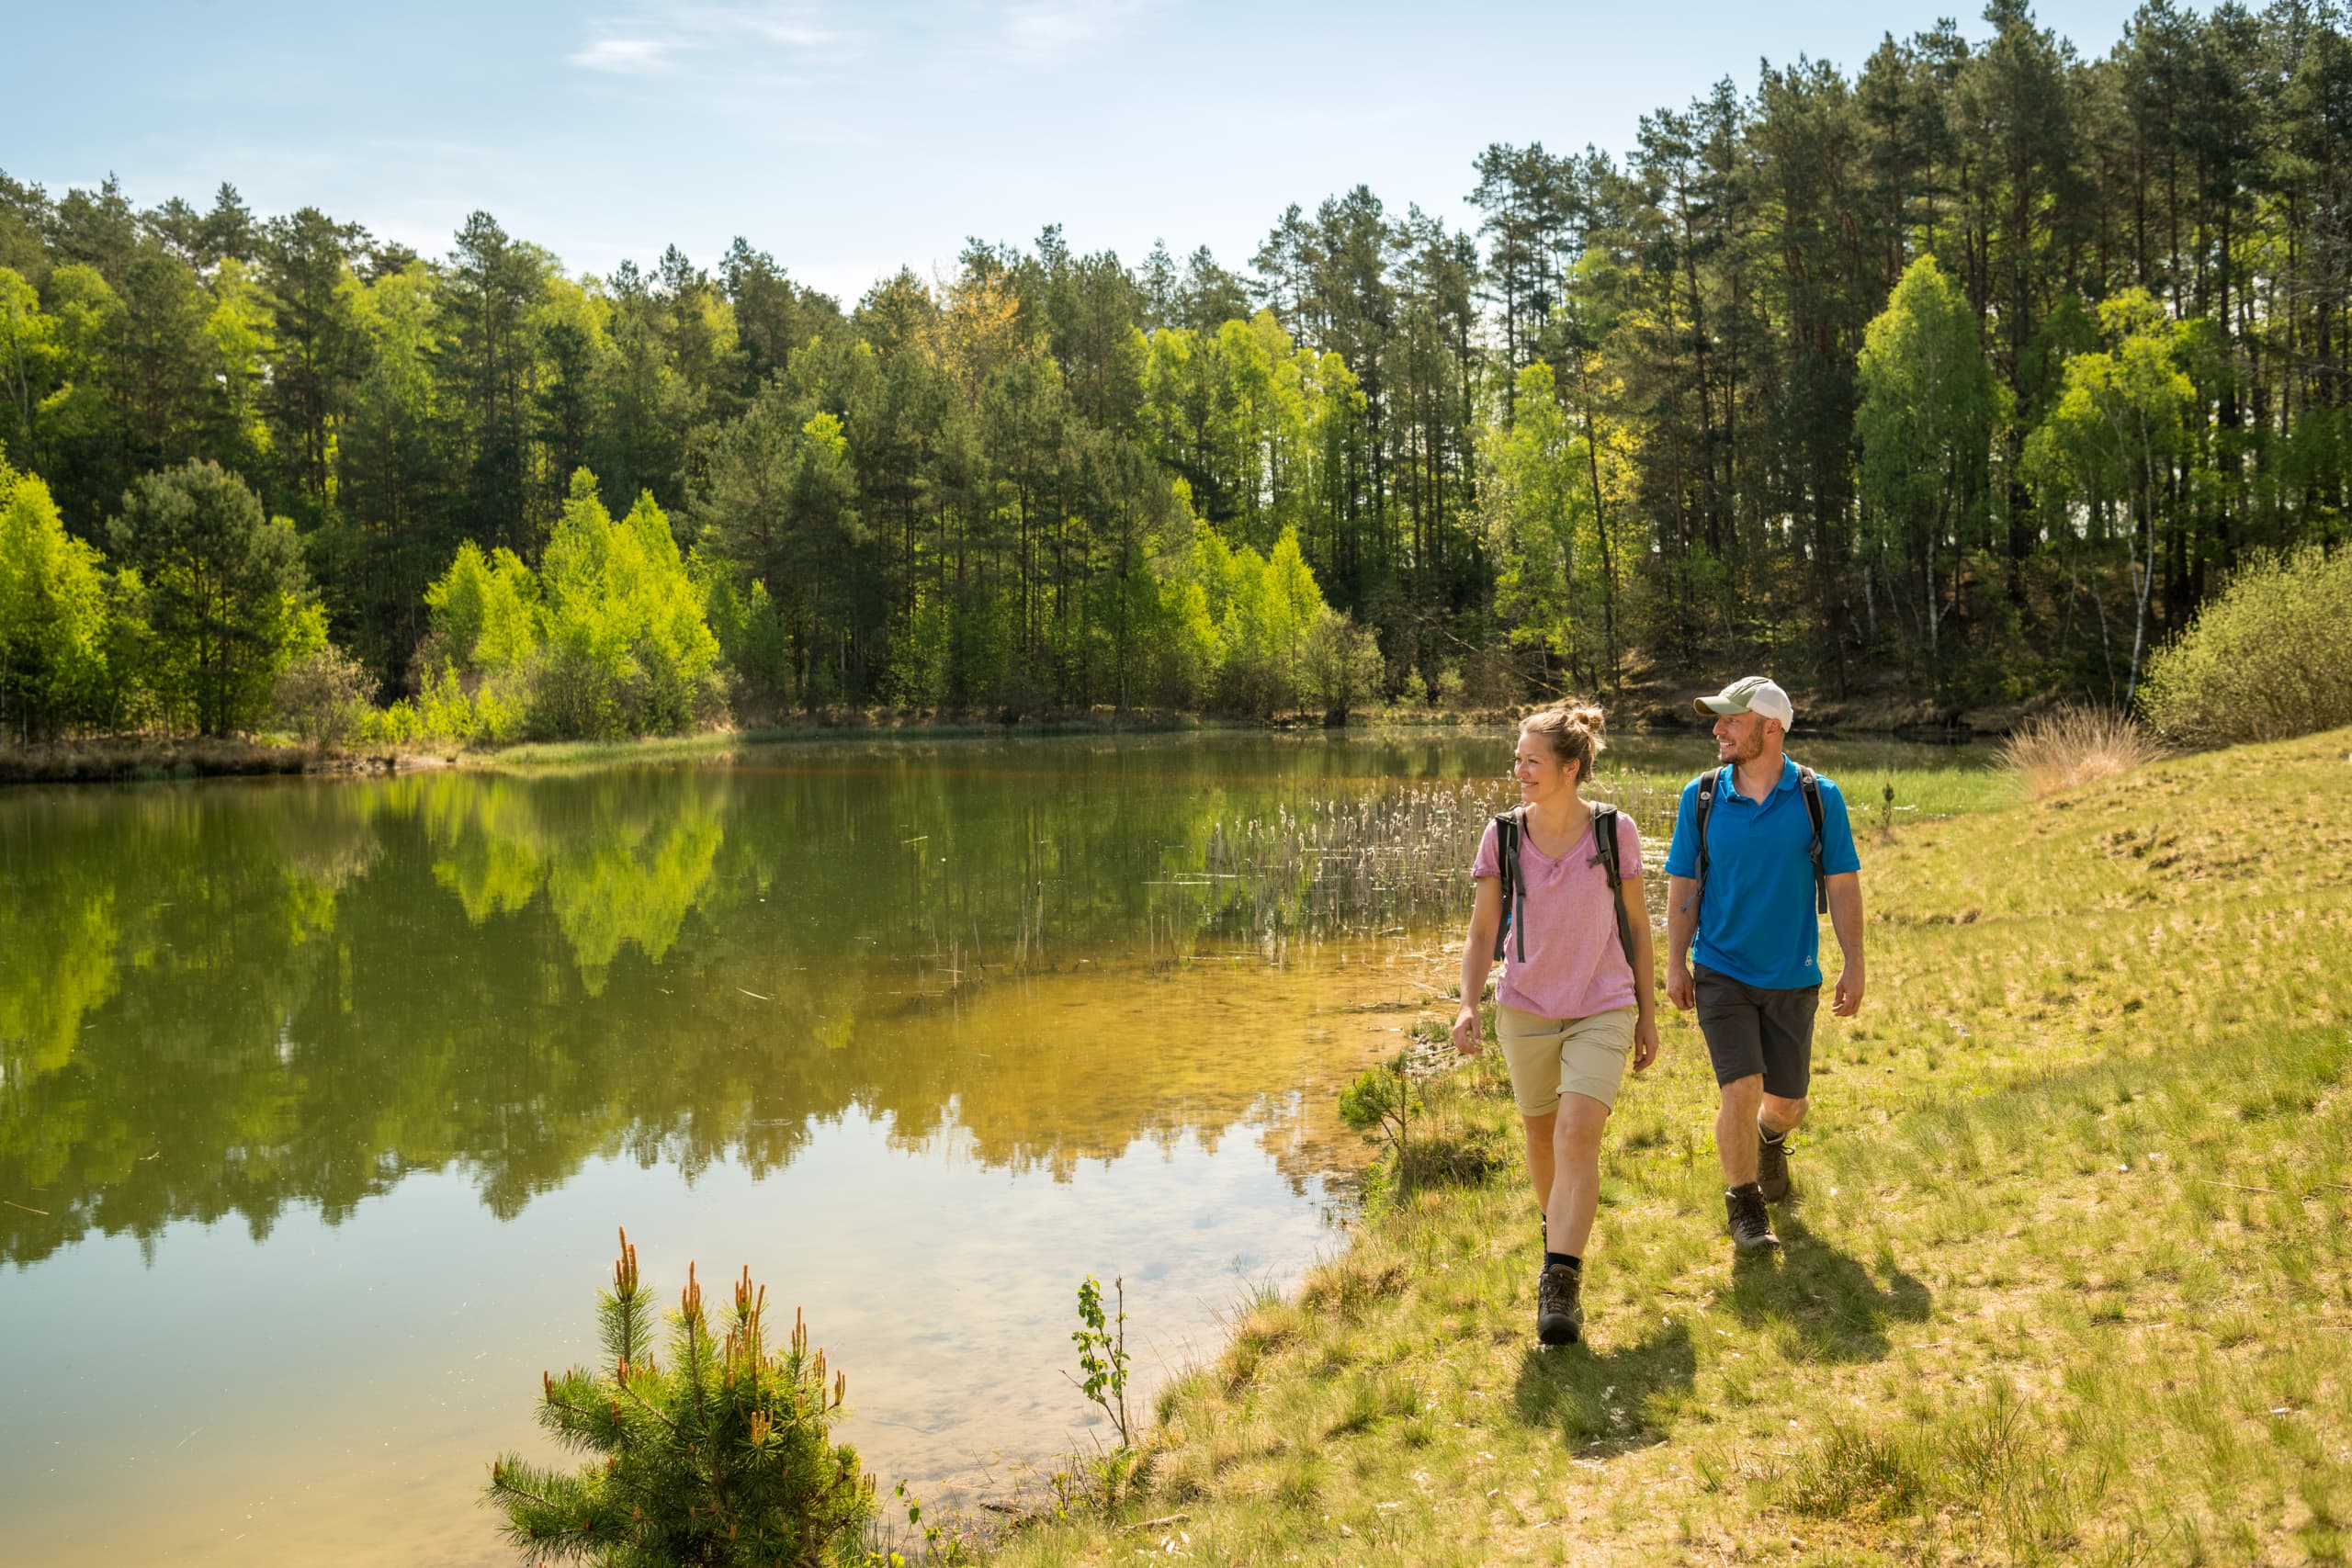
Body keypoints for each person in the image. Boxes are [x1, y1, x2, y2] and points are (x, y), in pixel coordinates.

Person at [1453, 703, 1660, 1347]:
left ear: (1571, 767)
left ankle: (1560, 1280)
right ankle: (1560, 1234)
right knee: (1541, 1137)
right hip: (1526, 1008)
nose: (1518, 770)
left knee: (1576, 1136)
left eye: (1531, 760)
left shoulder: (1613, 831)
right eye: (1517, 759)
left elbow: (1637, 926)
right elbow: (1484, 927)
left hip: (1603, 1002)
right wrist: (1467, 1001)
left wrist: (1647, 1011)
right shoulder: (1504, 834)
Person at [1662, 676, 1865, 1252]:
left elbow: (1843, 882)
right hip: (1720, 967)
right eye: (1719, 719)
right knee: (1741, 1086)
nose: (1717, 729)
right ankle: (1745, 1208)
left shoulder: (1817, 796)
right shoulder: (1700, 796)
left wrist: (1855, 963)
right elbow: (1685, 881)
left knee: (1787, 1103)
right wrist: (1675, 962)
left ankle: (1770, 1140)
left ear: (1770, 728)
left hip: (1792, 973)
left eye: (1731, 720)